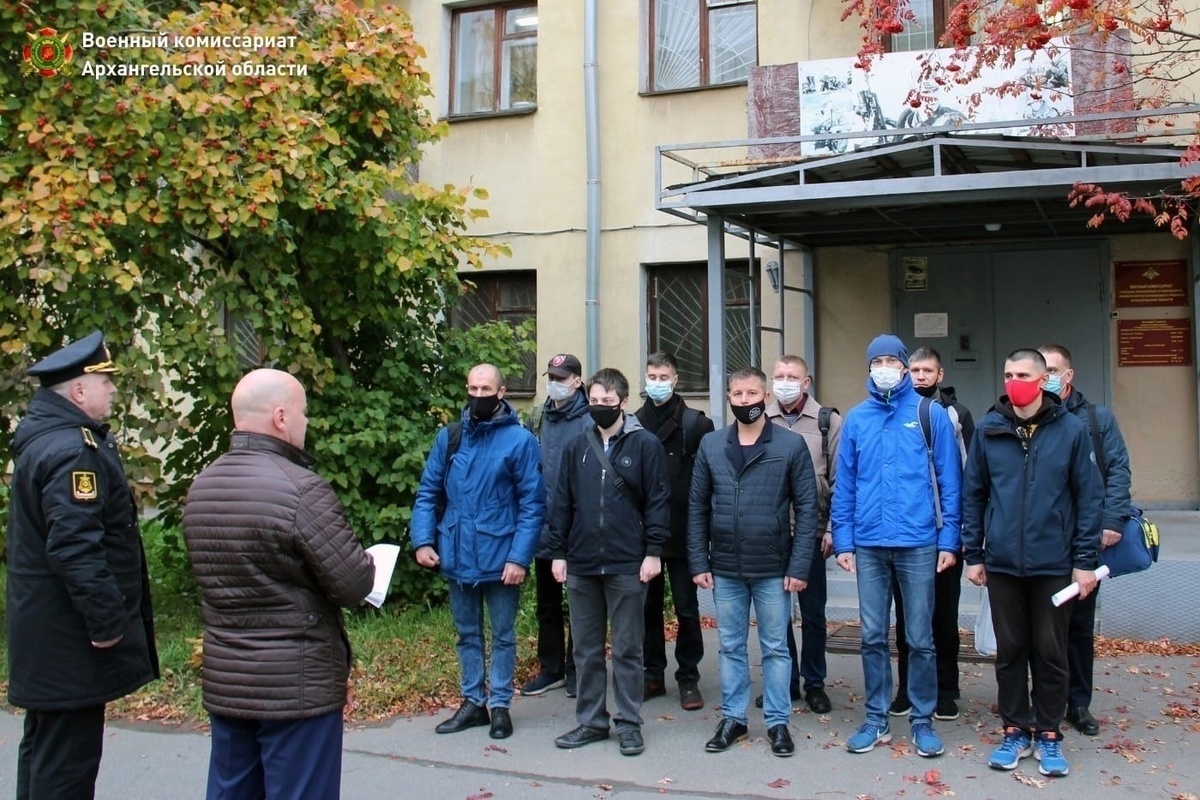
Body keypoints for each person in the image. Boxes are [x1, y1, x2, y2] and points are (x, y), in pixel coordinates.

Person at [182, 368, 377, 800]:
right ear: (281, 417)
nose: (307, 423)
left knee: (231, 791)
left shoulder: (202, 486)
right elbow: (353, 582)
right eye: (304, 413)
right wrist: (365, 563)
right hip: (296, 686)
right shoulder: (302, 490)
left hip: (229, 678)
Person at [6, 330, 159, 800]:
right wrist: (109, 623)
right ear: (78, 391)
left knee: (45, 751)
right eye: (105, 382)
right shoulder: (73, 452)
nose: (112, 390)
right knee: (66, 767)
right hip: (69, 640)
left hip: (47, 635)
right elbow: (75, 549)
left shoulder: (46, 441)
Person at [963, 348, 1103, 778]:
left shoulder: (1071, 431)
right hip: (1003, 562)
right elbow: (974, 494)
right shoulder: (989, 429)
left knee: (1050, 651)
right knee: (1010, 652)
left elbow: (1089, 497)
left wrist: (1084, 561)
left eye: (1022, 373)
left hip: (1054, 564)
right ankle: (1014, 730)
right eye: (1007, 374)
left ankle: (1048, 734)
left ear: (1043, 380)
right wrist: (974, 553)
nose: (1013, 381)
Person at [832, 334, 961, 759]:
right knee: (871, 636)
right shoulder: (856, 419)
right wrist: (844, 540)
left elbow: (949, 482)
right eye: (877, 361)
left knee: (920, 637)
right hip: (868, 544)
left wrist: (949, 539)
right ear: (868, 368)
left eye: (892, 360)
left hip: (918, 542)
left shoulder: (931, 415)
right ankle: (876, 719)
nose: (885, 367)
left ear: (905, 367)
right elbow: (845, 483)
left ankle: (923, 720)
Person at [688, 367, 818, 758]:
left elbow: (807, 508)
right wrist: (698, 559)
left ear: (765, 397)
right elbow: (696, 507)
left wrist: (799, 566)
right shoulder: (711, 445)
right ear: (729, 397)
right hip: (725, 564)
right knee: (729, 646)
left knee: (776, 647)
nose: (744, 401)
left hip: (773, 565)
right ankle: (734, 718)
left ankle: (778, 722)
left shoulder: (790, 445)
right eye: (737, 394)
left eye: (751, 394)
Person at [411, 364, 545, 740]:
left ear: (502, 393)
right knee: (466, 633)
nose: (478, 395)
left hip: (502, 555)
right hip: (456, 551)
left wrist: (519, 558)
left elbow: (533, 505)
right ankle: (473, 703)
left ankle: (500, 705)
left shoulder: (520, 441)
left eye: (486, 388)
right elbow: (428, 493)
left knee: (503, 634)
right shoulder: (450, 437)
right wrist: (423, 541)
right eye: (472, 387)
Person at [546, 368, 671, 757]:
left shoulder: (644, 444)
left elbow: (657, 502)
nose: (600, 407)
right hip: (581, 562)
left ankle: (630, 724)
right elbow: (561, 501)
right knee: (585, 649)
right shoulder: (576, 444)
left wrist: (653, 552)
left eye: (607, 402)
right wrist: (558, 553)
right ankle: (591, 721)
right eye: (595, 401)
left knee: (628, 649)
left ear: (623, 402)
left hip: (627, 563)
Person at [1040, 344, 1132, 737]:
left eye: (1052, 370)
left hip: (1084, 539)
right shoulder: (1031, 418)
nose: (1046, 378)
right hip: (1041, 539)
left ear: (1069, 375)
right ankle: (1043, 699)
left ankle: (1078, 703)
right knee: (1041, 625)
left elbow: (1118, 470)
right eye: (1039, 371)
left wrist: (1112, 520)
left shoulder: (1097, 419)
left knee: (1077, 626)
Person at [890, 346, 975, 722]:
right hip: (904, 533)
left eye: (928, 370)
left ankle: (946, 689)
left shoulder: (956, 415)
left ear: (940, 375)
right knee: (907, 617)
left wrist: (961, 534)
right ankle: (906, 687)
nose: (920, 376)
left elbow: (970, 475)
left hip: (943, 535)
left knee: (943, 614)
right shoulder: (893, 410)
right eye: (915, 369)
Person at [761, 354, 841, 715]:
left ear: (806, 382)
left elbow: (841, 479)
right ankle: (785, 682)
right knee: (776, 614)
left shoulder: (827, 421)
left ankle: (815, 683)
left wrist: (832, 529)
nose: (785, 382)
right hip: (772, 532)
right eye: (779, 375)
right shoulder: (762, 419)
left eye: (792, 376)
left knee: (812, 614)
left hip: (811, 531)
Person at [634, 352, 713, 711]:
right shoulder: (633, 423)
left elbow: (708, 482)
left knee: (687, 609)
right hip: (644, 533)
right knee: (646, 608)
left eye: (663, 376)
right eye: (652, 375)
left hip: (684, 532)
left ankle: (688, 677)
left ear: (676, 380)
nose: (657, 382)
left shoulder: (696, 424)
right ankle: (652, 674)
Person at [521, 353, 591, 698]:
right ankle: (551, 668)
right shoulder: (539, 417)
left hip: (580, 527)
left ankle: (578, 668)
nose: (555, 383)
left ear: (578, 381)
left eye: (562, 378)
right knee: (546, 603)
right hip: (544, 523)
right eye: (551, 376)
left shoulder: (591, 419)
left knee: (580, 600)